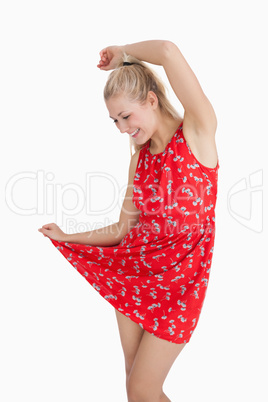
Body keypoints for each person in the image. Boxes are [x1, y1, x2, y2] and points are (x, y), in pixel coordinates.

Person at [38, 40, 219, 402]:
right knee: (136, 388)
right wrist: (69, 236)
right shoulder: (141, 160)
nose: (121, 128)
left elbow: (168, 52)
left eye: (126, 116)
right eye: (114, 120)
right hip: (134, 275)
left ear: (151, 100)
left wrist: (122, 53)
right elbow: (122, 229)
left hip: (181, 289)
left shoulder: (197, 133)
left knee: (142, 387)